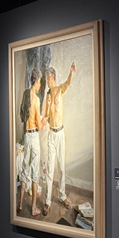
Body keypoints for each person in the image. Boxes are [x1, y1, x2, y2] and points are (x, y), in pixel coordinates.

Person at [43, 63, 77, 214]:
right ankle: (47, 201)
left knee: (61, 167)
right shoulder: (48, 95)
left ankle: (62, 196)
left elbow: (68, 83)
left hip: (60, 134)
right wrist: (42, 119)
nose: (48, 81)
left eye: (49, 78)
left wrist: (71, 73)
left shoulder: (59, 90)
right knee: (50, 169)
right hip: (51, 134)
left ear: (53, 78)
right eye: (46, 78)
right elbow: (46, 116)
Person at [18, 68, 48, 217]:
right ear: (36, 81)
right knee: (35, 173)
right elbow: (39, 126)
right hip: (34, 137)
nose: (40, 85)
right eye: (40, 82)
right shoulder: (36, 99)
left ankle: (20, 204)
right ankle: (34, 207)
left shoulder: (25, 94)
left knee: (25, 170)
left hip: (26, 136)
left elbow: (21, 116)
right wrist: (45, 119)